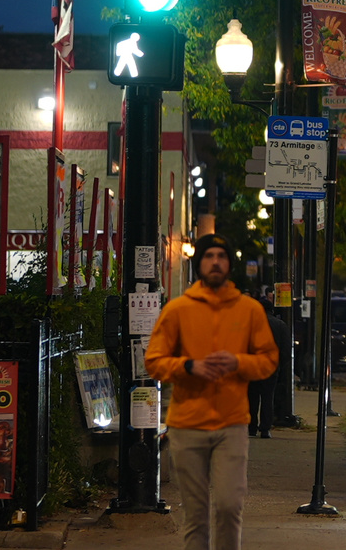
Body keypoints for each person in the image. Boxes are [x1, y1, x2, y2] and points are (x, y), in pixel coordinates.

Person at [144, 234, 279, 550]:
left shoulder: (249, 310)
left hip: (231, 424)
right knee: (196, 515)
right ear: (198, 264)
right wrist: (188, 367)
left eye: (221, 255)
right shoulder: (178, 310)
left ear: (229, 264)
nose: (215, 261)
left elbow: (269, 359)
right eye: (208, 256)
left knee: (230, 506)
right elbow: (154, 361)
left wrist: (237, 362)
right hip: (187, 426)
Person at [248, 289, 290, 438]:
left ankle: (251, 427)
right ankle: (265, 429)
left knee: (252, 398)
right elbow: (285, 349)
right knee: (267, 397)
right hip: (271, 367)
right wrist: (279, 364)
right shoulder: (280, 325)